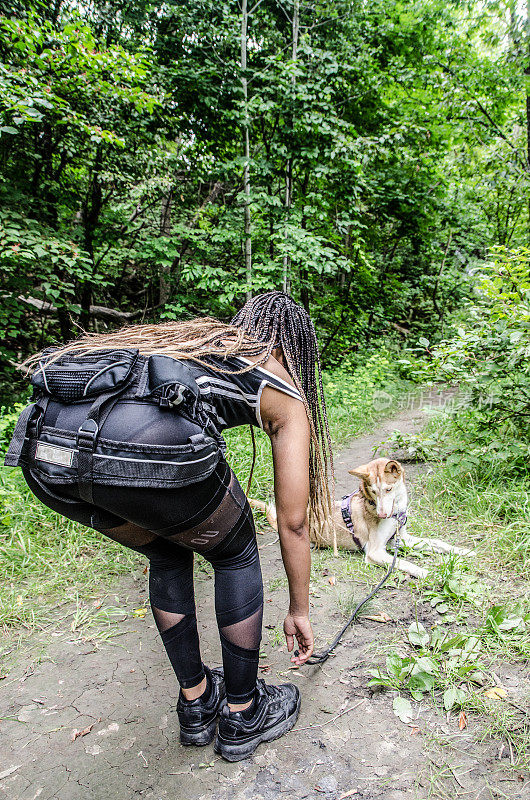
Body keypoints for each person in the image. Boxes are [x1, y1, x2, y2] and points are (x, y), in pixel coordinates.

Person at [6, 291, 335, 762]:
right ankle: (243, 711)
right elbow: (295, 520)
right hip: (137, 445)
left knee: (166, 550)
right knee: (236, 550)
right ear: (291, 347)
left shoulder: (185, 346)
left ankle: (197, 701)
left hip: (46, 453)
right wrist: (299, 609)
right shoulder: (279, 382)